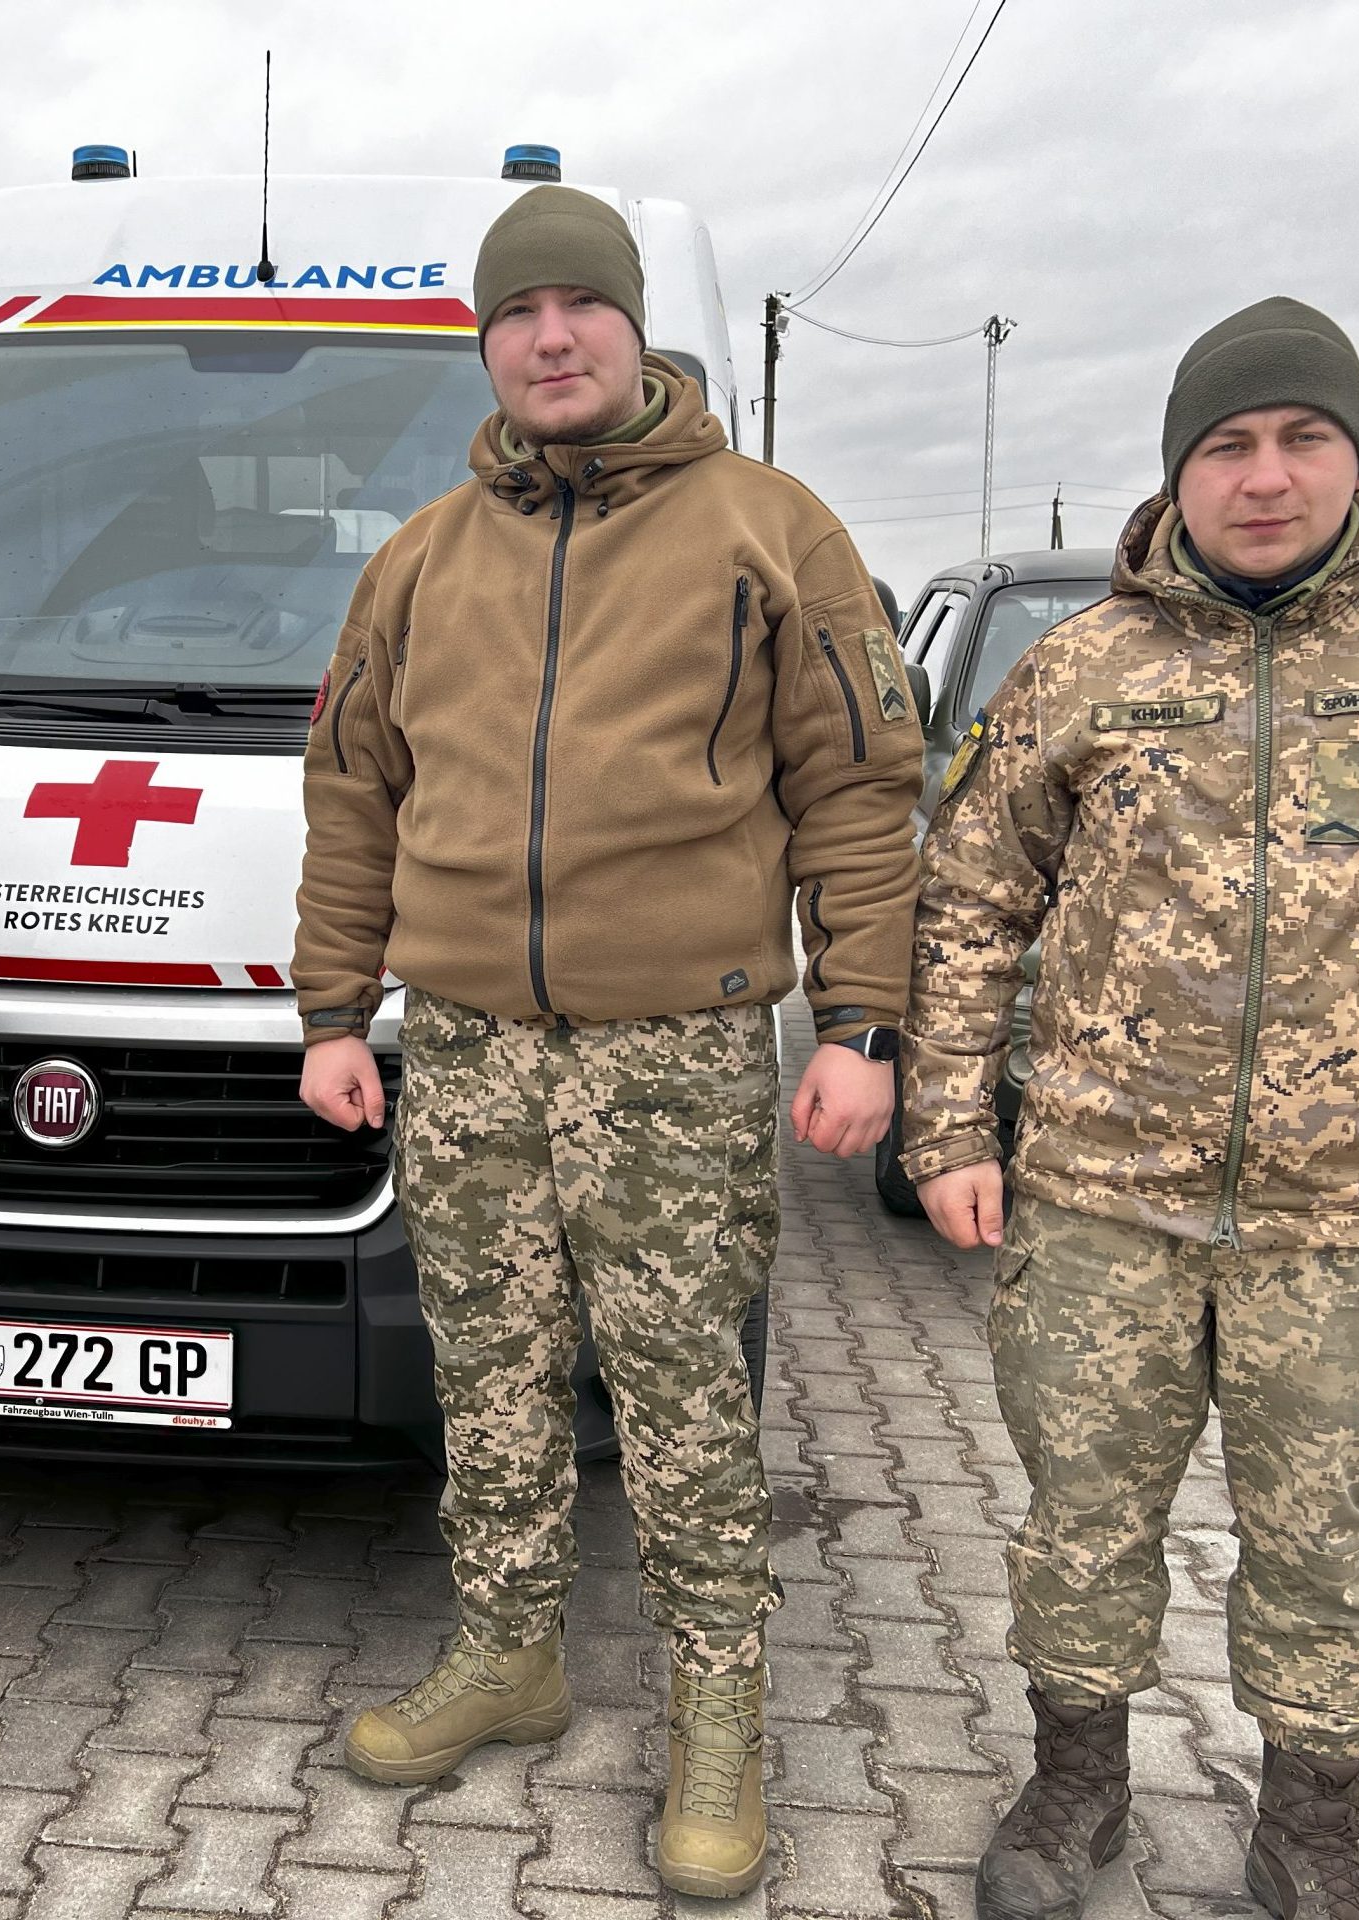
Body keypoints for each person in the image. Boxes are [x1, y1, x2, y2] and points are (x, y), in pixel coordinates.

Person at [901, 295, 1359, 1920]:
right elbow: (966, 905)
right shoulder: (1080, 668)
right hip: (1096, 1203)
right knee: (1082, 1520)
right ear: (1179, 474)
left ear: (1356, 458)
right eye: (1227, 444)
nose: (1266, 476)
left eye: (1304, 438)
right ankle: (1077, 1785)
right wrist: (950, 1123)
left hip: (1346, 1216)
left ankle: (1311, 1829)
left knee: (1326, 1544)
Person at [292, 185, 924, 1900]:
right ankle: (510, 1653)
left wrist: (864, 1021)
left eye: (581, 305)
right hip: (472, 1046)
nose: (550, 337)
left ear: (636, 329)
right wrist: (333, 1011)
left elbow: (861, 793)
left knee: (680, 1394)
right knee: (487, 1381)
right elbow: (353, 794)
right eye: (517, 314)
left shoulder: (768, 527)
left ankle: (721, 1708)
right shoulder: (421, 557)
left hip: (675, 1053)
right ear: (484, 346)